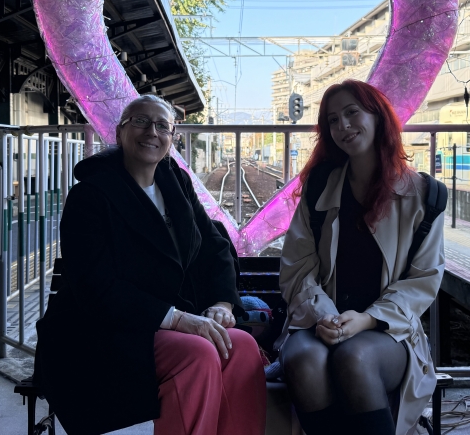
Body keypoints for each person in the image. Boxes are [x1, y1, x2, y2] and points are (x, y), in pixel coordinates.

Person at [33, 94, 266, 435]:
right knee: (198, 353)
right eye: (140, 121)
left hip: (171, 322)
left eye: (162, 126)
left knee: (241, 347)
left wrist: (221, 303)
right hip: (109, 329)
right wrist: (178, 319)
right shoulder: (91, 196)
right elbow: (95, 285)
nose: (151, 132)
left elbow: (214, 245)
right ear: (120, 132)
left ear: (172, 137)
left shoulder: (176, 183)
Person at [277, 80, 445, 435]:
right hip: (319, 320)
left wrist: (367, 320)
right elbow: (297, 267)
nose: (343, 126)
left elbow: (423, 280)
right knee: (304, 360)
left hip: (389, 330)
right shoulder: (319, 187)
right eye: (333, 120)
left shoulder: (425, 196)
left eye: (352, 112)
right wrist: (327, 317)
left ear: (378, 116)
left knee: (355, 357)